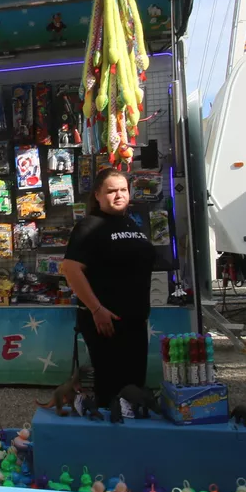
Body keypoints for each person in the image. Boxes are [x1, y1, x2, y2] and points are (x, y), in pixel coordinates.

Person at [59, 168, 153, 422]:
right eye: (111, 191)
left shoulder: (131, 223)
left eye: (123, 190)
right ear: (97, 195)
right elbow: (70, 269)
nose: (119, 195)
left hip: (134, 321)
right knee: (111, 390)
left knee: (133, 387)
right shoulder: (89, 226)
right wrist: (96, 309)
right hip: (106, 322)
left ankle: (132, 436)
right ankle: (107, 438)